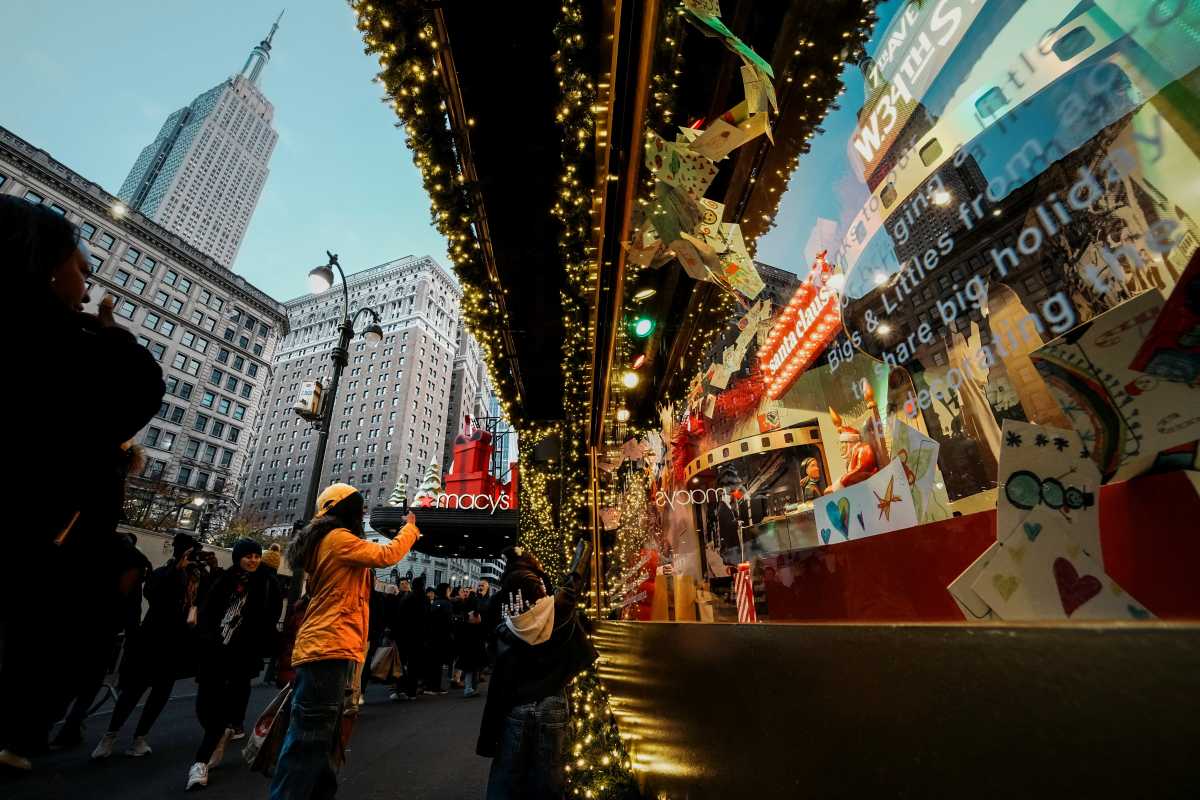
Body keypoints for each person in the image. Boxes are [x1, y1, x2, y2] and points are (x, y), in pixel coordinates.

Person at [1, 197, 164, 772]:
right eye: (80, 263)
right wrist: (111, 337)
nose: (89, 277)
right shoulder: (51, 340)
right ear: (42, 262)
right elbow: (139, 390)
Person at [268, 484, 419, 800]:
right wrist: (410, 529)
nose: (363, 513)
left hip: (333, 646)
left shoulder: (329, 543)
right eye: (358, 507)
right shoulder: (337, 540)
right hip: (329, 648)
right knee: (310, 738)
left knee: (324, 736)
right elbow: (386, 554)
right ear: (343, 510)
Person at [478, 540, 597, 799]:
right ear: (538, 589)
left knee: (507, 776)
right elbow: (573, 582)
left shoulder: (502, 626)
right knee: (549, 780)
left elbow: (494, 661)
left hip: (516, 705)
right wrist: (583, 552)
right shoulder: (558, 611)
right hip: (552, 701)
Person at [92, 533, 212, 759]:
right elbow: (152, 593)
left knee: (160, 693)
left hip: (176, 643)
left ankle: (139, 737)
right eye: (189, 552)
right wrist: (177, 569)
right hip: (153, 639)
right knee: (134, 690)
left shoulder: (196, 578)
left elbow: (209, 597)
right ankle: (110, 735)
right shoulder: (165, 573)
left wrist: (210, 568)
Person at [186, 539, 282, 791]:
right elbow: (206, 612)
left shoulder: (266, 584)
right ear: (237, 557)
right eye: (248, 556)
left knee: (221, 711)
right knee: (204, 706)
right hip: (214, 653)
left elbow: (270, 617)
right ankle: (217, 735)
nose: (252, 560)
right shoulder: (223, 581)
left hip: (242, 656)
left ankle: (200, 762)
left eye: (256, 556)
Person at [425, 583, 453, 695]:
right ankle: (435, 687)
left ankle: (429, 686)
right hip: (442, 637)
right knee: (438, 664)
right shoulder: (447, 604)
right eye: (449, 590)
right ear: (446, 591)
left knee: (432, 663)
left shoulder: (435, 603)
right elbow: (449, 622)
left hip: (432, 636)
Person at [457, 610, 488, 699]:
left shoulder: (464, 627)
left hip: (468, 654)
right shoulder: (478, 628)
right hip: (473, 654)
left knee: (472, 672)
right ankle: (468, 689)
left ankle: (472, 689)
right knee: (471, 672)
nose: (479, 618)